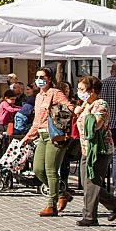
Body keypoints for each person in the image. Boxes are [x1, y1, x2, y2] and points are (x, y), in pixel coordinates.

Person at [21, 67, 74, 217]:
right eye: (37, 77)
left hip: (55, 136)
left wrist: (56, 110)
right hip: (42, 136)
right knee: (38, 169)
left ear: (50, 79)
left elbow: (69, 108)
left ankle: (52, 205)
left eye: (43, 77)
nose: (39, 80)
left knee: (51, 170)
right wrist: (28, 137)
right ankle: (62, 193)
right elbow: (36, 121)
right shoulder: (39, 96)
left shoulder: (55, 93)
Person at [74, 75, 116, 226]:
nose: (79, 92)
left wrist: (86, 112)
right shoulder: (85, 105)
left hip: (99, 150)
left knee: (92, 182)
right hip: (85, 150)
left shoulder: (101, 104)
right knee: (87, 183)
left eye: (82, 89)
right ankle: (115, 204)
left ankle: (89, 216)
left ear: (92, 91)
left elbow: (95, 125)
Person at [100, 62, 116, 198]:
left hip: (102, 125)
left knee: (103, 155)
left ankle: (100, 184)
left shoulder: (101, 84)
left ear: (111, 71)